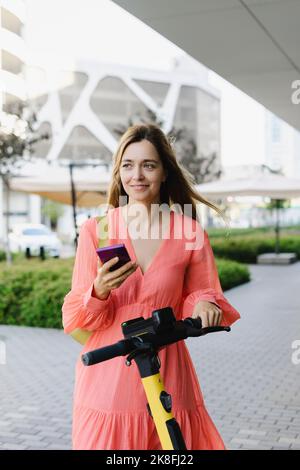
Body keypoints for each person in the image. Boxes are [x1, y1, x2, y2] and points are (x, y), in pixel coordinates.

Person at [62, 123, 241, 450]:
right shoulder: (96, 230)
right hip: (110, 374)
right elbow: (75, 315)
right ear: (118, 173)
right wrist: (98, 291)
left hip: (167, 369)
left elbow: (201, 292)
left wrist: (204, 305)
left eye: (149, 165)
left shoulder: (188, 231)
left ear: (164, 172)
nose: (137, 175)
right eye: (128, 165)